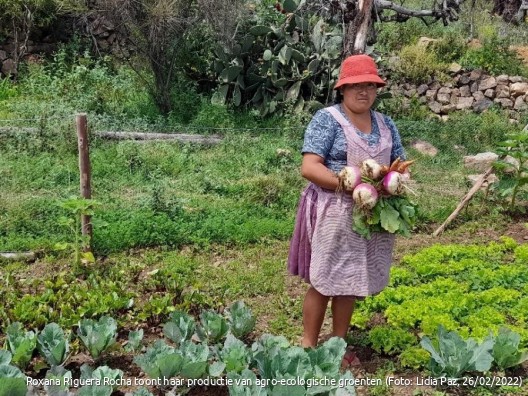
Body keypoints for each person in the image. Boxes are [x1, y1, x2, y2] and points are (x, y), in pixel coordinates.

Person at [287, 54, 406, 366]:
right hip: (334, 210)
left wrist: (397, 180)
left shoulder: (386, 124)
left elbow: (399, 164)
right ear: (342, 89)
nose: (363, 91)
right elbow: (309, 167)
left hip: (370, 213)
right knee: (324, 279)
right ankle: (309, 346)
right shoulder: (328, 119)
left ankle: (338, 345)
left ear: (377, 89)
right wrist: (349, 185)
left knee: (351, 278)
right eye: (355, 85)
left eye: (369, 85)